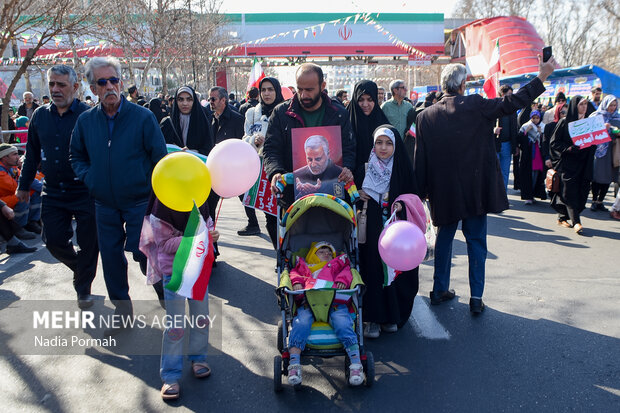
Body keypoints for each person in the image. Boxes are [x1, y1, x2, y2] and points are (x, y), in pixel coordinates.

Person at [415, 57, 556, 314]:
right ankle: (476, 298)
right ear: (463, 84)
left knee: (444, 239)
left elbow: (420, 159)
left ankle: (438, 290)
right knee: (476, 242)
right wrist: (541, 77)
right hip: (475, 189)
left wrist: (420, 193)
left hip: (443, 192)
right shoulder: (476, 105)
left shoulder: (425, 116)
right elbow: (513, 102)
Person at [71, 56, 168, 334]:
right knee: (111, 259)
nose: (110, 86)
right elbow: (76, 155)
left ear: (121, 82)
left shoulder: (143, 117)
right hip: (104, 203)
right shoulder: (86, 121)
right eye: (102, 82)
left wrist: (156, 195)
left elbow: (160, 159)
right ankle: (122, 312)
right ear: (93, 88)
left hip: (140, 199)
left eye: (114, 80)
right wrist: (91, 179)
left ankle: (164, 293)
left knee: (144, 252)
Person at [17, 65, 99, 310]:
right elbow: (31, 154)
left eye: (61, 84)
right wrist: (23, 185)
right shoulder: (40, 116)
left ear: (75, 86)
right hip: (52, 191)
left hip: (85, 192)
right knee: (52, 240)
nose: (55, 89)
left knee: (89, 244)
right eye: (52, 84)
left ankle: (83, 289)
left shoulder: (88, 115)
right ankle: (81, 269)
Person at [140, 194, 217, 401]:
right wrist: (198, 239)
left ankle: (199, 358)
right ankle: (170, 375)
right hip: (174, 272)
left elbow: (207, 227)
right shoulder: (162, 207)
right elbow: (164, 244)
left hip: (198, 270)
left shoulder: (200, 200)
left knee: (201, 317)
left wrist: (211, 234)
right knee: (175, 324)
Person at [264, 63, 355, 208]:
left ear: (322, 85)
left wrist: (347, 168)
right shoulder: (281, 114)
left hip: (333, 200)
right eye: (299, 89)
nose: (303, 95)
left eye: (309, 90)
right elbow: (271, 149)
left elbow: (349, 148)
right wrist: (275, 172)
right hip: (293, 199)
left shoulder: (338, 113)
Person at [358, 125, 419, 338]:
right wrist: (357, 192)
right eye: (379, 142)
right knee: (372, 270)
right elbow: (351, 192)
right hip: (372, 228)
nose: (383, 148)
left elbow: (413, 195)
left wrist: (402, 203)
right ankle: (372, 319)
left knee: (393, 272)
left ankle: (393, 315)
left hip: (396, 229)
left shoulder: (402, 166)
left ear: (396, 145)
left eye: (388, 143)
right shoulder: (364, 166)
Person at [286, 242, 365, 386]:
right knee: (301, 322)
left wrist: (342, 280)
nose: (327, 253)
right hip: (309, 303)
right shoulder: (304, 266)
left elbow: (347, 272)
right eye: (321, 251)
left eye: (330, 252)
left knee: (343, 322)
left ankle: (356, 363)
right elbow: (293, 273)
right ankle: (294, 363)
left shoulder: (338, 265)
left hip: (334, 302)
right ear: (312, 255)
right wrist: (297, 282)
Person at [208, 86, 258, 236]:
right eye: (210, 99)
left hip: (235, 167)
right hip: (216, 167)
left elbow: (244, 142)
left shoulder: (236, 119)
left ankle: (253, 223)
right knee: (211, 200)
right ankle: (210, 228)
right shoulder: (211, 118)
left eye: (213, 99)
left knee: (244, 194)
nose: (210, 102)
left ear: (223, 100)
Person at [242, 77, 285, 249]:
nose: (267, 93)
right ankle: (280, 256)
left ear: (277, 91)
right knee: (270, 217)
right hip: (261, 172)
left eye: (271, 89)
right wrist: (254, 140)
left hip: (282, 169)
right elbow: (244, 138)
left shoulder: (285, 111)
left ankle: (288, 255)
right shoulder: (252, 113)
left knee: (284, 214)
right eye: (263, 90)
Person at [549, 96, 596, 234]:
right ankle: (577, 222)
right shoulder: (565, 122)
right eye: (581, 104)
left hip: (585, 163)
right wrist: (569, 148)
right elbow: (554, 142)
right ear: (575, 106)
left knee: (582, 192)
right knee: (569, 192)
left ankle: (562, 216)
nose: (584, 107)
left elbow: (596, 140)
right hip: (568, 164)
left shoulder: (590, 123)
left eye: (586, 104)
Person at [347, 80, 390, 186]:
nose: (365, 104)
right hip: (350, 184)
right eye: (361, 100)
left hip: (379, 184)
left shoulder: (382, 122)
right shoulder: (346, 122)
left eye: (370, 100)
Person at [0, 143, 41, 234]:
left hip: (8, 199)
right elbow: (15, 186)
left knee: (35, 192)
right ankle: (18, 227)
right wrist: (25, 180)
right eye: (14, 154)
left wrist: (44, 188)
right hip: (2, 202)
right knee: (21, 195)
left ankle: (32, 221)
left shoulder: (12, 167)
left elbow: (28, 180)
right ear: (4, 157)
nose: (18, 157)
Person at [589, 95, 620, 211]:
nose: (612, 107)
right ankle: (594, 200)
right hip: (598, 151)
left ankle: (600, 201)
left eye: (614, 105)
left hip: (612, 152)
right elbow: (588, 133)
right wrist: (603, 128)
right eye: (610, 105)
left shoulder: (617, 118)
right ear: (605, 104)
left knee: (608, 176)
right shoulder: (596, 116)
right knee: (596, 176)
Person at [518, 110, 547, 204]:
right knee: (528, 174)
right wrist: (526, 132)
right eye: (533, 118)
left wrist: (541, 133)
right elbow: (520, 138)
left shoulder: (542, 126)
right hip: (528, 154)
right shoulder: (525, 126)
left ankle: (534, 193)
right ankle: (528, 196)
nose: (535, 120)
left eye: (537, 118)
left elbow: (546, 139)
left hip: (538, 154)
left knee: (536, 174)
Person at [495, 85, 519, 190]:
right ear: (501, 94)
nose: (510, 97)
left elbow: (514, 129)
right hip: (495, 145)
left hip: (508, 145)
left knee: (505, 172)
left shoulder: (512, 110)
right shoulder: (494, 107)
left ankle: (503, 197)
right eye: (508, 94)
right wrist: (493, 130)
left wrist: (515, 146)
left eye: (511, 94)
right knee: (494, 172)